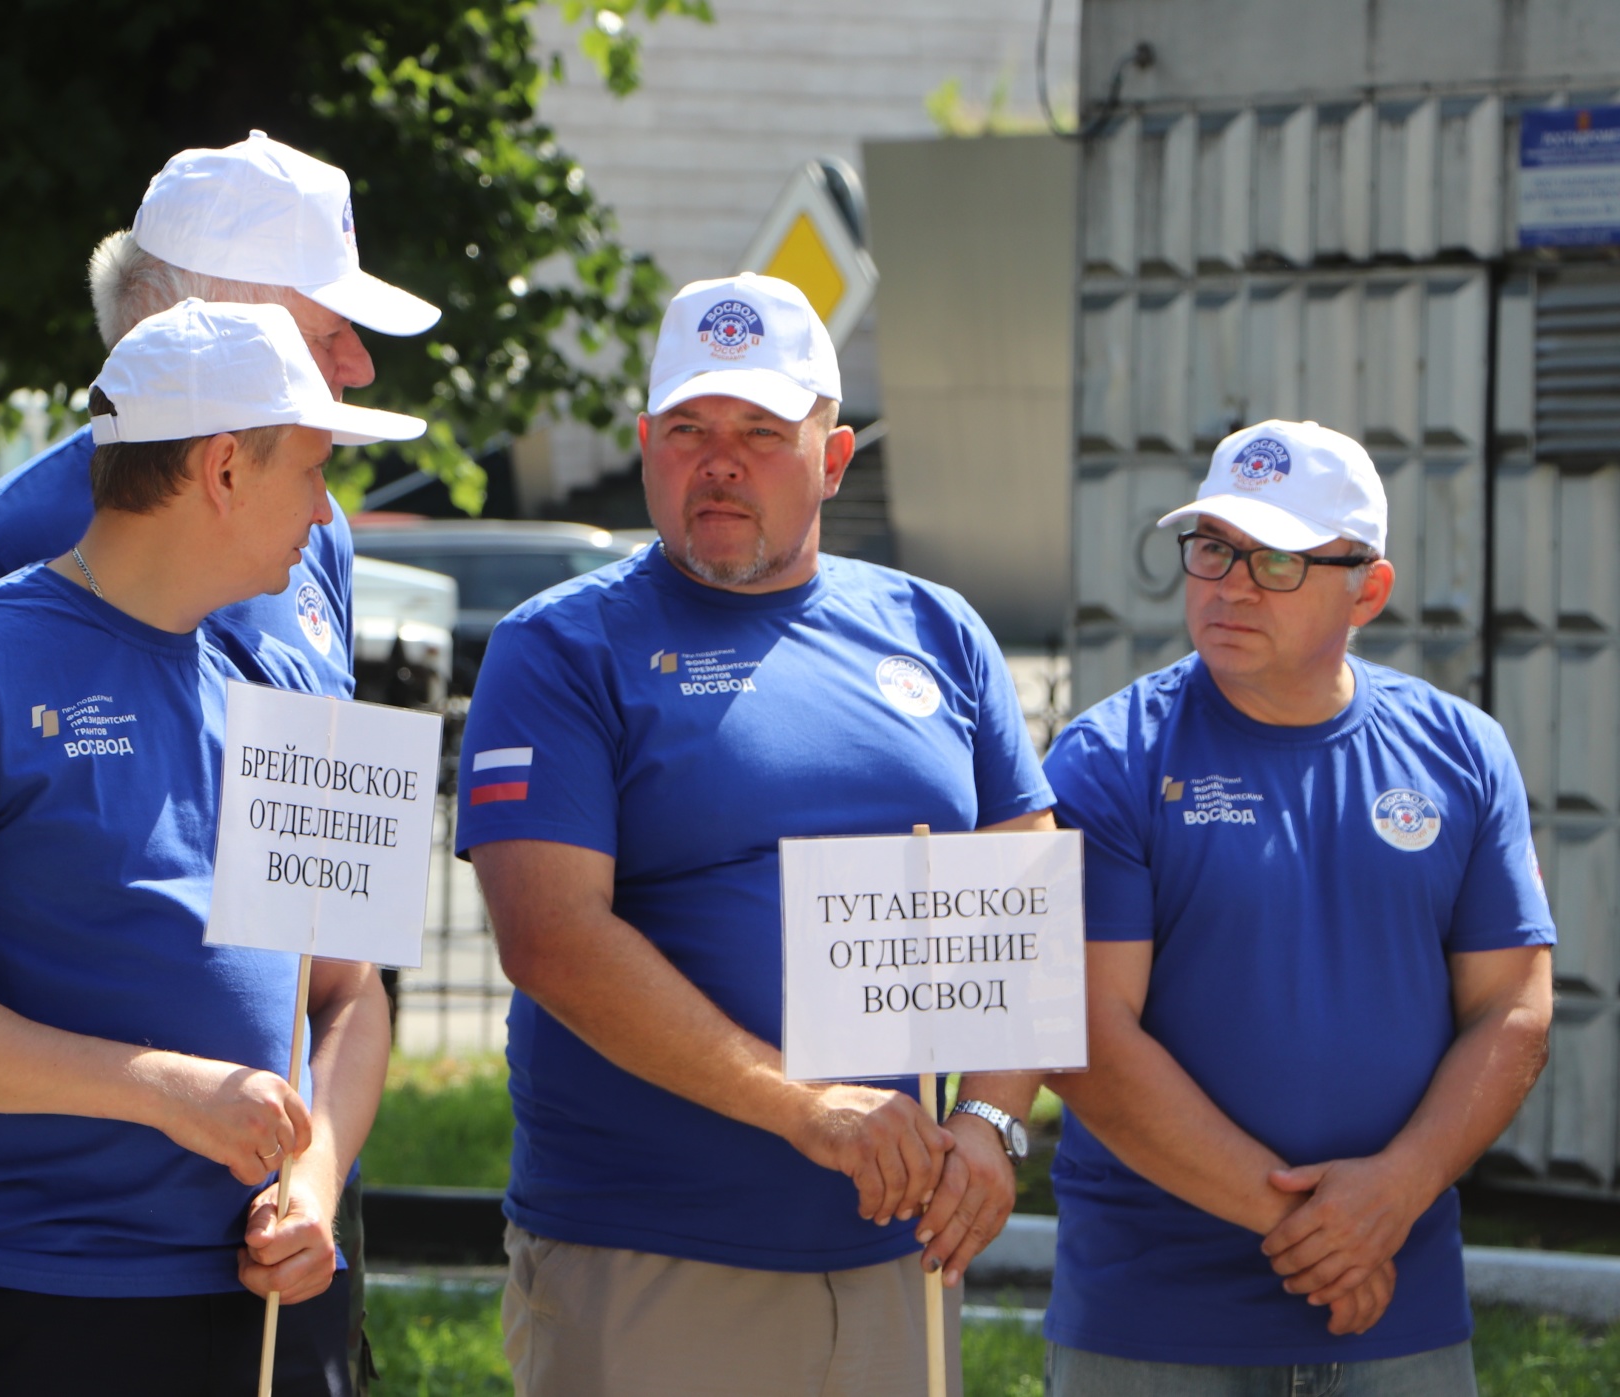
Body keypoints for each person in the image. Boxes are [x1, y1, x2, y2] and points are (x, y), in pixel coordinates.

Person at [0, 131, 439, 1397]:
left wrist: (315, 1174)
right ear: (206, 348)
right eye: (323, 326)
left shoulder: (310, 545)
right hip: (38, 1272)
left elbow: (338, 953)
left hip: (265, 1256)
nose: (354, 365)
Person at [456, 272, 1055, 1396]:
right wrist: (807, 1107)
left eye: (759, 432)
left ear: (831, 459)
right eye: (688, 428)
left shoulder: (938, 631)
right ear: (644, 446)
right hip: (649, 1255)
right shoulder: (560, 646)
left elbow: (1019, 881)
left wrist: (987, 1116)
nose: (717, 460)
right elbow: (548, 938)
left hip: (898, 1248)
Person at [1039, 420, 1557, 1394]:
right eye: (1210, 547)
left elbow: (1513, 1010)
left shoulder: (1459, 750)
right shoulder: (1108, 758)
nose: (1228, 583)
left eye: (1274, 558)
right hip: (1154, 1312)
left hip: (1396, 1304)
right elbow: (1081, 1035)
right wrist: (1317, 1231)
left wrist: (1391, 1195)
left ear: (1366, 587)